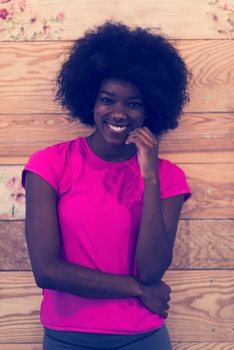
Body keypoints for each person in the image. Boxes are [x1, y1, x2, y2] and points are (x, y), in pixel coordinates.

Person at [22, 21, 191, 350]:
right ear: (90, 102)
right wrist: (137, 289)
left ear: (149, 111)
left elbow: (152, 270)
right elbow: (46, 270)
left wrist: (150, 177)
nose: (118, 112)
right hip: (66, 337)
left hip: (143, 337)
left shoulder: (168, 177)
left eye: (133, 103)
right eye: (107, 100)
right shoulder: (50, 165)